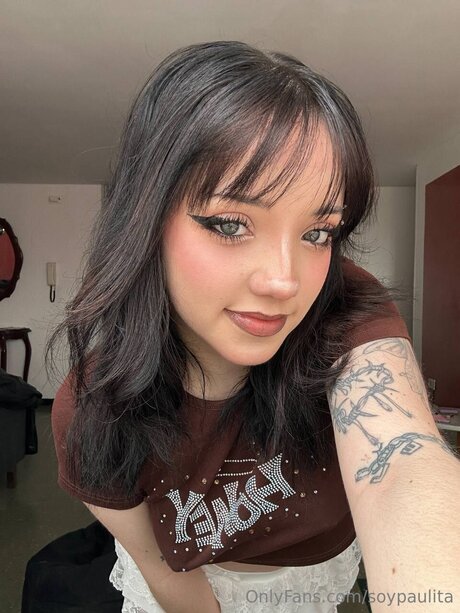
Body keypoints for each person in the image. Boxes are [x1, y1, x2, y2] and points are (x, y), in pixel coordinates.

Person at [48, 41, 460, 613]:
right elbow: (159, 566)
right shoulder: (93, 408)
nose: (284, 281)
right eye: (230, 224)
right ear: (146, 220)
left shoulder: (343, 305)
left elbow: (402, 463)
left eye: (318, 233)